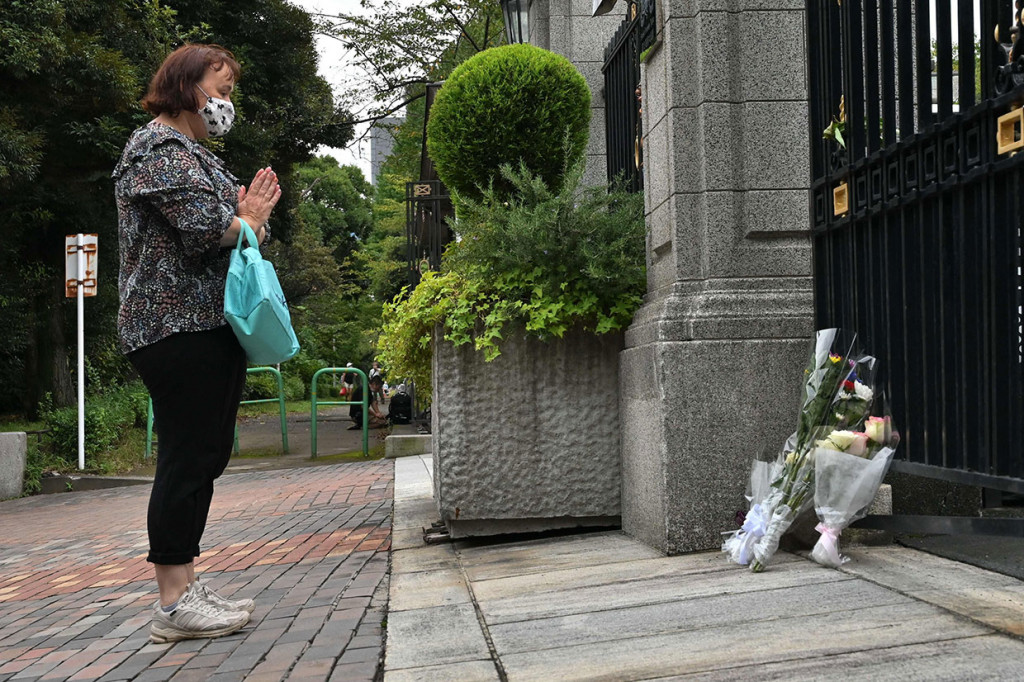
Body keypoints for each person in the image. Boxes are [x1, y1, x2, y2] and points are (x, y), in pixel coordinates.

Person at [113, 44, 281, 643]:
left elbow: (246, 228)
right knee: (187, 455)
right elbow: (212, 227)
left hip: (207, 324)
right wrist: (248, 221)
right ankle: (172, 600)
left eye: (231, 93)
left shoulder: (197, 156)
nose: (225, 104)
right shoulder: (155, 149)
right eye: (222, 89)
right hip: (172, 325)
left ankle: (185, 581)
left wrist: (249, 222)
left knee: (206, 454)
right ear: (187, 86)